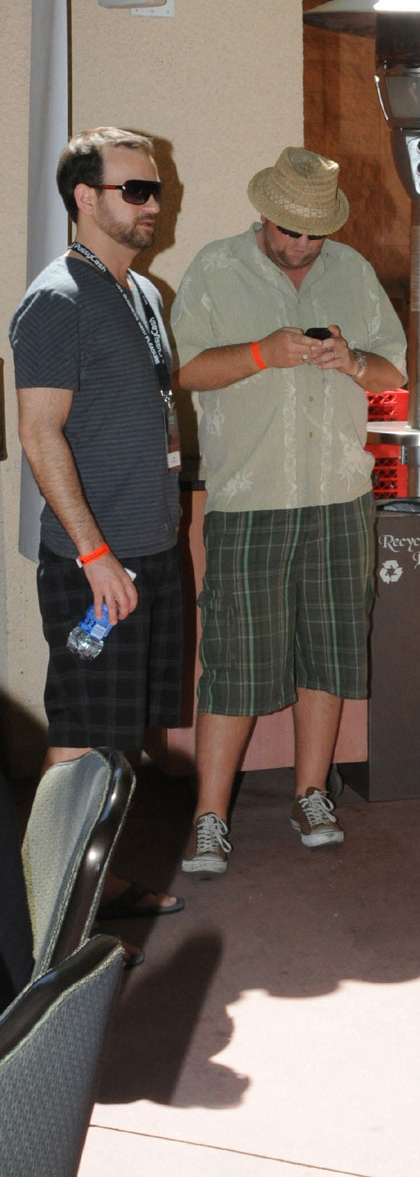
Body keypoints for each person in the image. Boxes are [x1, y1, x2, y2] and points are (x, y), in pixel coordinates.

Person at [172, 147, 407, 876]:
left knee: (331, 652)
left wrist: (353, 361)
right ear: (265, 214)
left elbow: (395, 371)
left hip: (341, 496)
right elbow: (181, 369)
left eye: (316, 234)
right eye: (291, 230)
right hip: (250, 499)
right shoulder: (215, 267)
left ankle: (312, 793)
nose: (304, 245)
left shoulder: (354, 271)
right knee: (234, 662)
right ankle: (210, 816)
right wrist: (261, 354)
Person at [10, 127, 185, 961]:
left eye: (156, 189)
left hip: (148, 550)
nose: (155, 203)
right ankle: (43, 915)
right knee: (79, 734)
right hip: (96, 563)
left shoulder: (142, 294)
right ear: (85, 197)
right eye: (136, 190)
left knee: (118, 735)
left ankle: (100, 880)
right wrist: (92, 553)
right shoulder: (57, 299)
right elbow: (40, 435)